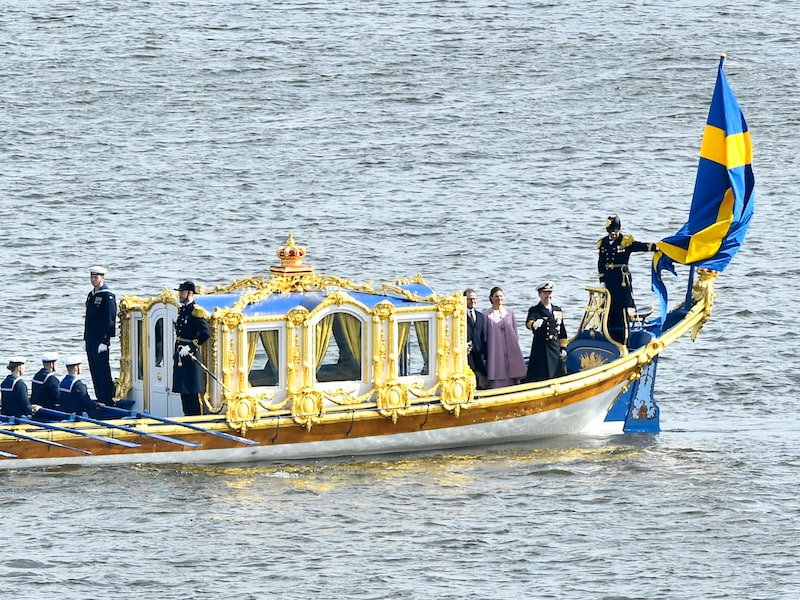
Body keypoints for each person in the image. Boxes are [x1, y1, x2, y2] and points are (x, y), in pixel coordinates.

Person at [597, 216, 656, 344]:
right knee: (608, 308)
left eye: (615, 232)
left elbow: (640, 246)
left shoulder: (625, 241)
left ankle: (623, 340)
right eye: (610, 232)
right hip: (608, 280)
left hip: (621, 281)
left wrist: (655, 247)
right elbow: (601, 262)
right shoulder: (603, 243)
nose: (613, 235)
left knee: (621, 309)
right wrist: (602, 280)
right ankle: (607, 336)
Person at [173, 281, 211, 416]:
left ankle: (195, 418)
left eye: (181, 292)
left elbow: (205, 334)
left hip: (190, 355)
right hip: (180, 355)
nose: (179, 295)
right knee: (183, 391)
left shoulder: (195, 311)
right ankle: (187, 416)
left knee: (191, 390)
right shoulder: (183, 310)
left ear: (189, 293)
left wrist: (191, 346)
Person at [84, 265, 117, 405]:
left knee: (102, 369)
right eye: (92, 276)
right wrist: (85, 338)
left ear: (103, 277)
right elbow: (89, 319)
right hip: (91, 339)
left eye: (96, 277)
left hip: (101, 340)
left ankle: (107, 398)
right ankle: (99, 397)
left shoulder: (107, 296)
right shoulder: (92, 295)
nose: (93, 279)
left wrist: (105, 340)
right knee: (94, 368)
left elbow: (109, 319)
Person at [482, 286, 527, 389]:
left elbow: (515, 331)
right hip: (495, 348)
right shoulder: (486, 315)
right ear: (491, 298)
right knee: (497, 367)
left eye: (501, 296)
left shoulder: (509, 313)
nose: (499, 299)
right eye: (496, 296)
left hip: (510, 347)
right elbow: (484, 335)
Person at [524, 281, 568, 382]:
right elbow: (528, 323)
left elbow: (562, 331)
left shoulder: (557, 310)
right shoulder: (535, 310)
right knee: (540, 376)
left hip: (555, 348)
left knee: (557, 375)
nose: (547, 296)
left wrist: (563, 347)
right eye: (545, 293)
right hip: (541, 349)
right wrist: (534, 324)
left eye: (549, 293)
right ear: (539, 295)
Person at [463, 288, 487, 388]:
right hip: (466, 353)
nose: (472, 301)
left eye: (474, 299)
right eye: (469, 299)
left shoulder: (480, 316)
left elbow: (483, 335)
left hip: (479, 352)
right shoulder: (459, 316)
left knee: (480, 375)